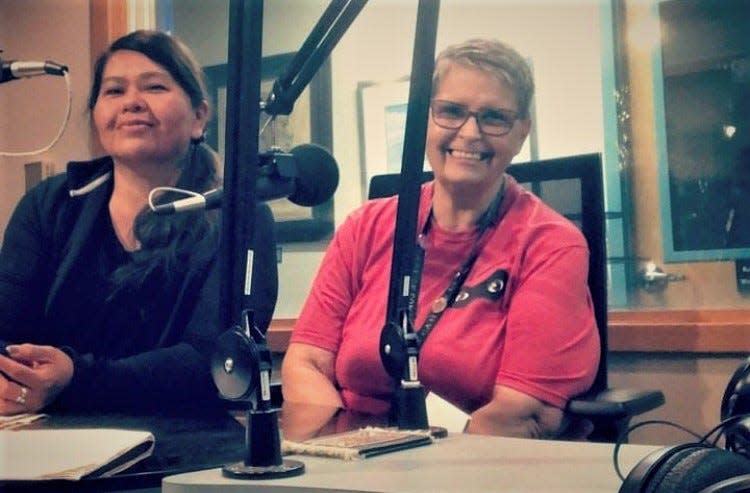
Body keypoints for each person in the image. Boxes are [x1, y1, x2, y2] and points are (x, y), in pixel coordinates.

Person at [281, 38, 599, 439]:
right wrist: (338, 454)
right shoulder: (364, 227)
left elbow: (520, 412)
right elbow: (306, 361)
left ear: (521, 133)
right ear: (424, 120)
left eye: (494, 117)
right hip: (350, 455)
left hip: (469, 462)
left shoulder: (551, 245)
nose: (470, 132)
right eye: (450, 111)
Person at [0, 30, 277, 415]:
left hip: (184, 447)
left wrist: (76, 378)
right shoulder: (47, 207)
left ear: (199, 117)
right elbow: (7, 328)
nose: (132, 102)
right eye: (114, 91)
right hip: (48, 444)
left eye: (155, 87)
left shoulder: (239, 215)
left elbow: (212, 360)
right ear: (97, 116)